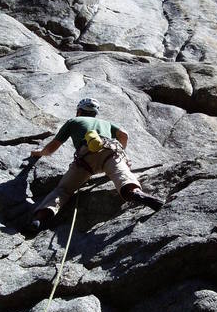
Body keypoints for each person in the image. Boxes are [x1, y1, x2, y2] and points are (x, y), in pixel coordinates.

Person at [28, 97, 163, 231]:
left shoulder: (74, 121)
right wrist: (121, 153)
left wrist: (39, 153)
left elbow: (51, 149)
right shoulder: (106, 123)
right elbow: (124, 134)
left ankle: (39, 218)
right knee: (123, 176)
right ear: (95, 113)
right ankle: (135, 193)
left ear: (79, 111)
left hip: (85, 159)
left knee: (63, 190)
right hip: (110, 152)